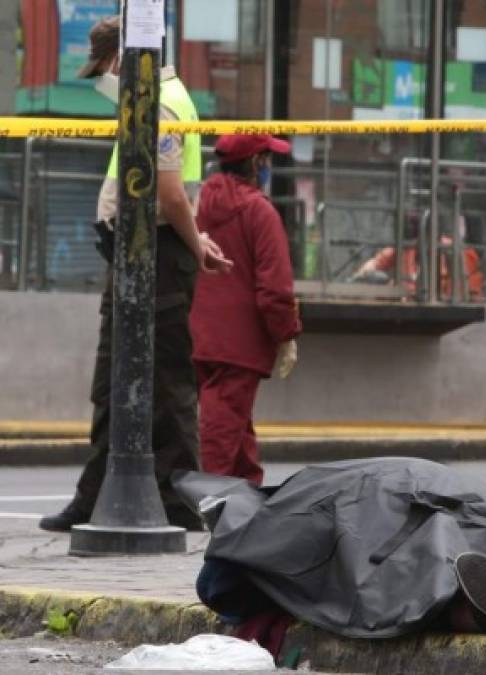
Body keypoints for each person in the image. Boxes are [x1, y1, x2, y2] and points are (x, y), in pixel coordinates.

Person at [39, 16, 233, 533]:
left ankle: (178, 502)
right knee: (115, 381)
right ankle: (97, 495)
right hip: (142, 252)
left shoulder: (161, 102)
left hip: (157, 256)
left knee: (163, 382)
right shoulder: (150, 99)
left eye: (101, 68)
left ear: (120, 61)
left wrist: (195, 245)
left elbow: (169, 194)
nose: (100, 79)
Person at [189, 134, 301, 485]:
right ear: (256, 164)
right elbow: (275, 288)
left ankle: (248, 498)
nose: (269, 166)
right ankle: (214, 504)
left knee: (234, 426)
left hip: (200, 335)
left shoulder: (200, 200)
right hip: (240, 344)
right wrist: (286, 334)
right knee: (222, 432)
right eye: (267, 158)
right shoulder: (260, 211)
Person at [351, 216, 484, 302]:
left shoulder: (460, 253)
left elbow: (472, 296)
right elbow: (373, 266)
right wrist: (363, 276)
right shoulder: (405, 249)